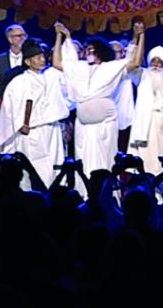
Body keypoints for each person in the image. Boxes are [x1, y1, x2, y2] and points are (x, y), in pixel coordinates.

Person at [54, 22, 144, 186]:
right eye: (88, 50)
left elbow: (135, 62)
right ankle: (84, 193)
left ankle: (106, 194)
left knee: (105, 161)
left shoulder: (110, 68)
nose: (90, 52)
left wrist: (140, 36)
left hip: (105, 126)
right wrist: (61, 36)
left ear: (102, 52)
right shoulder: (79, 69)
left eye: (94, 50)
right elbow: (57, 63)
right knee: (83, 162)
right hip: (84, 126)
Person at [0, 40, 70, 189]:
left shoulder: (51, 76)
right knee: (34, 167)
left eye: (43, 56)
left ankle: (54, 194)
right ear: (28, 62)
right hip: (32, 132)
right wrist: (20, 124)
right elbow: (9, 109)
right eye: (38, 57)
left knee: (53, 166)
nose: (42, 60)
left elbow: (67, 89)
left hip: (51, 130)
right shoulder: (19, 82)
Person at [129, 46, 163, 174]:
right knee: (147, 159)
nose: (156, 65)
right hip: (147, 124)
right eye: (153, 61)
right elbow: (130, 66)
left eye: (159, 62)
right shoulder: (142, 74)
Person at [0, 25, 28, 97]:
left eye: (24, 35)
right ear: (10, 39)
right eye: (19, 36)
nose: (23, 38)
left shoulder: (29, 58)